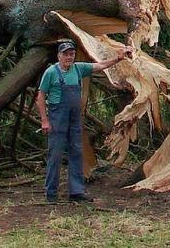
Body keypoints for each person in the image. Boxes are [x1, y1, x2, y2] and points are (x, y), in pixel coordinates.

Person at [36, 40, 132, 203]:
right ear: (59, 55)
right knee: (56, 154)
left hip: (74, 118)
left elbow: (99, 66)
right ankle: (51, 193)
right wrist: (44, 120)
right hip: (57, 118)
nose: (69, 57)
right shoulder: (51, 72)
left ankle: (76, 191)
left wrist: (118, 58)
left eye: (71, 54)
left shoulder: (79, 68)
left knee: (76, 152)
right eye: (65, 54)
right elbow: (40, 97)